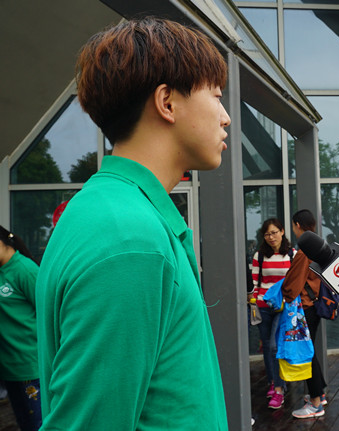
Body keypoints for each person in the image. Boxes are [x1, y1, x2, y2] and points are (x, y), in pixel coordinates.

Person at [35, 18, 231, 430]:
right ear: (167, 102)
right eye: (216, 95)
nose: (226, 116)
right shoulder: (130, 240)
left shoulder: (108, 212)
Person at [281, 209, 328, 419]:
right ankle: (320, 394)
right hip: (316, 305)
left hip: (306, 308)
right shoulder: (320, 247)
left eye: (293, 225)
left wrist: (284, 294)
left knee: (307, 353)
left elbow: (293, 283)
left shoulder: (304, 251)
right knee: (311, 351)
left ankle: (316, 403)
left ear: (297, 225)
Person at [249, 218, 294, 409]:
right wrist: (253, 303)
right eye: (267, 234)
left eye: (274, 232)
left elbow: (295, 282)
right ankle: (273, 381)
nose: (271, 237)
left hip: (283, 307)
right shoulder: (259, 256)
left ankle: (279, 389)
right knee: (267, 346)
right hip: (262, 306)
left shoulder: (292, 254)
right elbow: (254, 283)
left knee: (276, 346)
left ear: (282, 232)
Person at [0, 227, 42, 431]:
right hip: (9, 368)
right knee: (24, 424)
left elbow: (48, 313)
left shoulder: (25, 269)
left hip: (30, 367)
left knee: (37, 426)